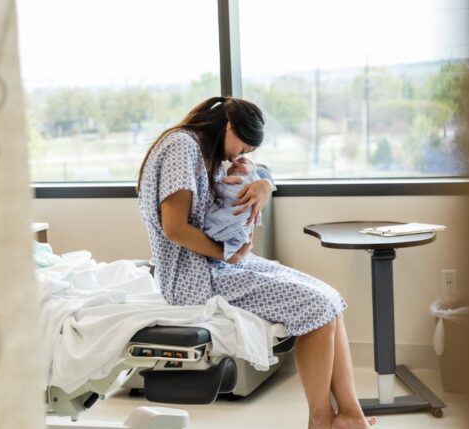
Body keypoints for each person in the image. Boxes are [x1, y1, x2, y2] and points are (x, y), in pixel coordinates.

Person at [137, 96, 376, 429]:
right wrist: (226, 253)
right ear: (230, 126)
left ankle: (351, 415)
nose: (239, 157)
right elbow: (175, 229)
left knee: (331, 298)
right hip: (193, 278)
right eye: (242, 148)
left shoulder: (205, 150)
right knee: (317, 308)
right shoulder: (182, 146)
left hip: (220, 265)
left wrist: (265, 184)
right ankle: (321, 420)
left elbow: (256, 175)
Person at [203, 156, 275, 261]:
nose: (235, 163)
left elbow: (251, 217)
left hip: (231, 231)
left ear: (253, 171)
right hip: (230, 238)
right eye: (232, 166)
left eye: (243, 162)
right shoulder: (237, 179)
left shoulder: (248, 180)